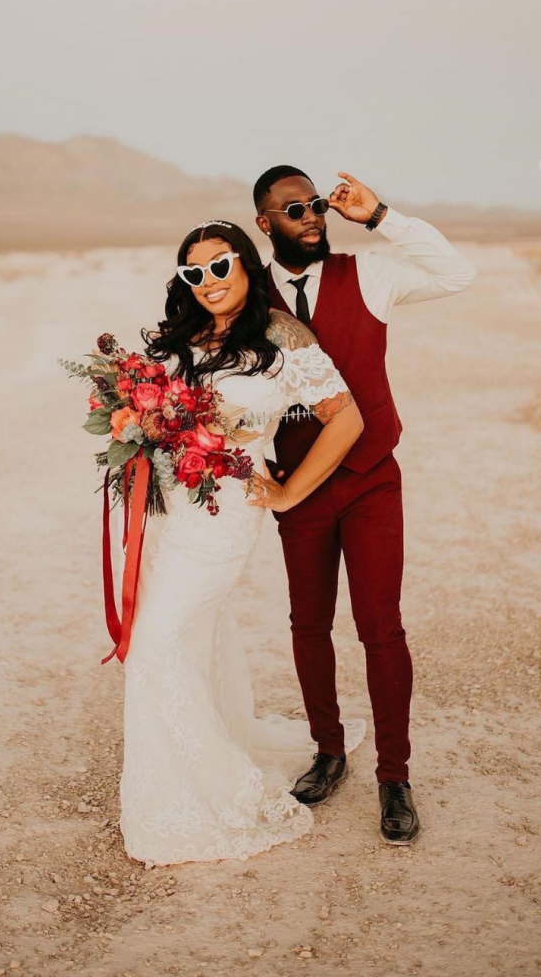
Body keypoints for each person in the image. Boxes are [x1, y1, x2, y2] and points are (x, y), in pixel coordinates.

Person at [118, 219, 367, 867]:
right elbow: (160, 416)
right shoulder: (179, 340)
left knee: (154, 647)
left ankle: (211, 791)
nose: (208, 282)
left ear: (246, 264)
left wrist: (289, 493)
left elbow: (347, 418)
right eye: (193, 273)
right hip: (172, 511)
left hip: (225, 517)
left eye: (220, 265)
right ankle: (189, 765)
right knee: (188, 638)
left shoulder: (282, 339)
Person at [252, 166, 478, 845]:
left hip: (372, 475)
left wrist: (380, 215)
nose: (313, 217)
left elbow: (455, 272)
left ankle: (393, 776)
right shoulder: (249, 296)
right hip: (298, 486)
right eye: (295, 210)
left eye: (317, 205)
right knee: (308, 623)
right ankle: (328, 751)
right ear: (265, 223)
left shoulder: (369, 275)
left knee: (381, 627)